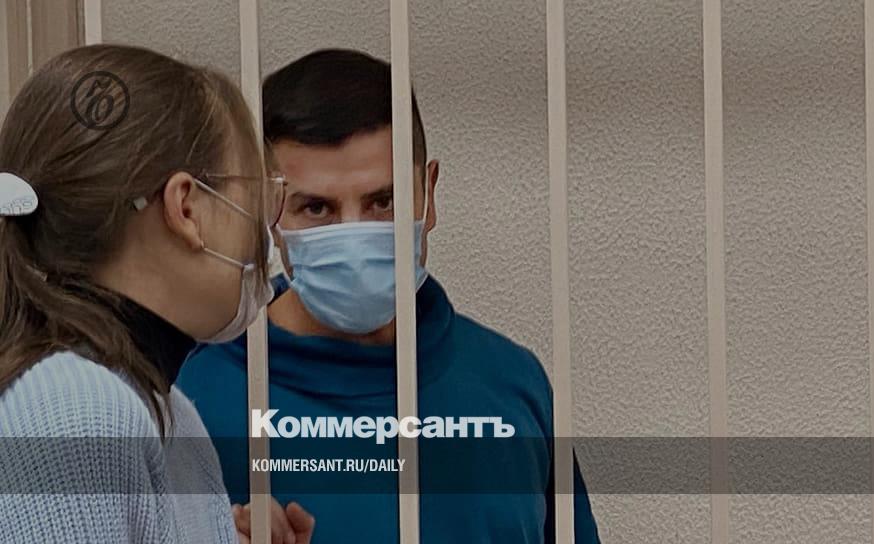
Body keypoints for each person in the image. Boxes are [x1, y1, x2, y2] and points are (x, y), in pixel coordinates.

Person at [177, 49, 600, 543]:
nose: (354, 236)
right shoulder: (197, 398)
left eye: (383, 200)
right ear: (267, 210)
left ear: (428, 192)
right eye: (317, 208)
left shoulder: (511, 385)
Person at [0, 44, 312, 543]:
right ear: (186, 208)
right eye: (257, 198)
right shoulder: (74, 408)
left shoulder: (168, 410)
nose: (265, 233)